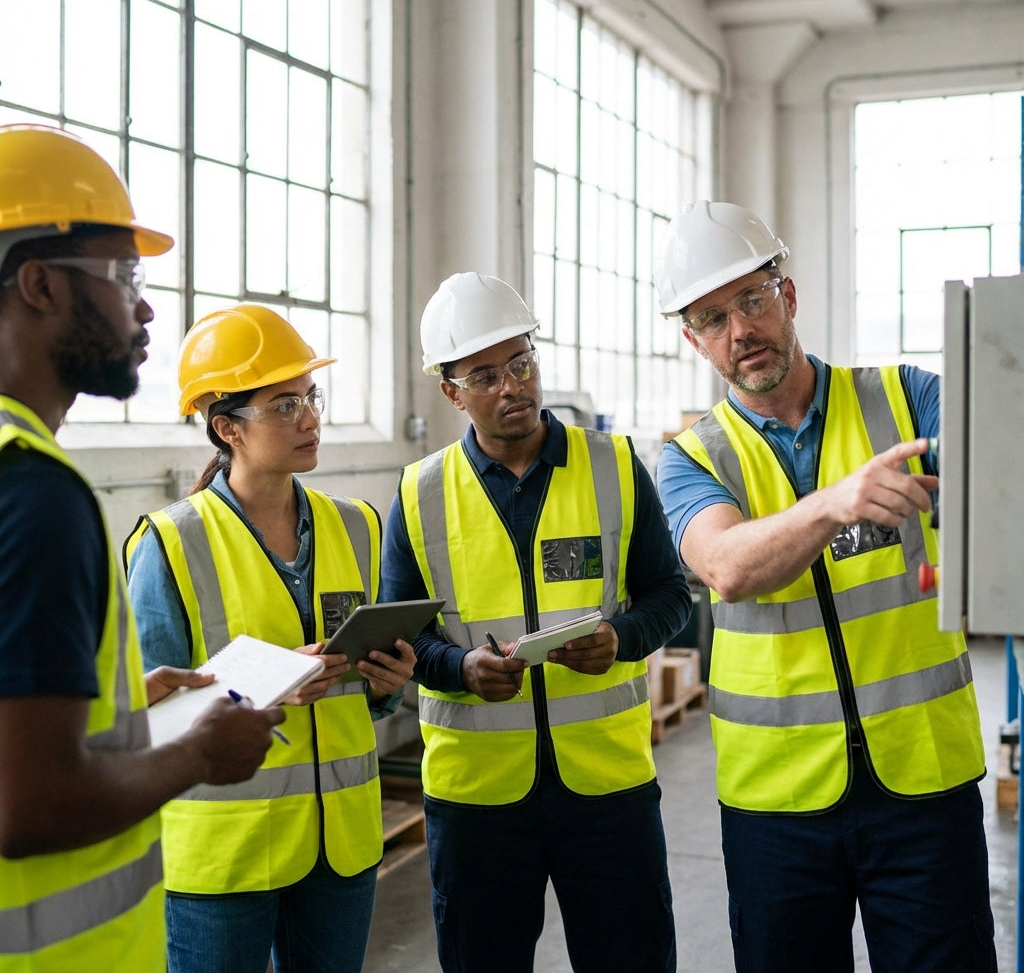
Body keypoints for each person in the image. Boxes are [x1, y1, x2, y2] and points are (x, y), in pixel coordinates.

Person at [654, 200, 995, 973]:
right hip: (777, 803)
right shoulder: (691, 459)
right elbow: (727, 567)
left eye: (752, 299)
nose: (740, 331)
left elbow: (1002, 461)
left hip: (923, 781)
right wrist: (836, 501)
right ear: (693, 340)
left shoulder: (908, 397)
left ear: (790, 295)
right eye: (712, 317)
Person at [0, 124, 284, 972]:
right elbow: (27, 804)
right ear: (42, 284)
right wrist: (197, 752)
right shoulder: (38, 495)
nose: (146, 305)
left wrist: (127, 705)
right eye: (124, 275)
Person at [380, 271, 691, 973]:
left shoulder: (612, 465)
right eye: (485, 375)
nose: (511, 386)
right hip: (477, 800)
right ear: (450, 392)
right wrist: (459, 669)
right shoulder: (420, 493)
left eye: (521, 363)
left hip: (608, 786)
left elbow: (669, 594)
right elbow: (403, 638)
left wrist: (622, 639)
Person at [124, 302, 417, 973]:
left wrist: (386, 684)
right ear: (227, 427)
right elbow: (150, 718)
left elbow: (368, 699)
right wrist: (274, 680)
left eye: (310, 397)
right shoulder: (171, 543)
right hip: (224, 856)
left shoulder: (358, 526)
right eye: (284, 406)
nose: (311, 419)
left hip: (339, 845)